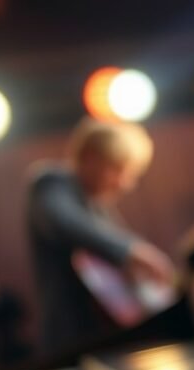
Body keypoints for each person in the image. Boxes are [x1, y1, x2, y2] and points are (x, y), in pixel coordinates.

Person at [26, 117, 175, 356]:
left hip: (106, 340)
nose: (125, 184)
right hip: (70, 342)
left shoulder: (98, 207)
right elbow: (66, 223)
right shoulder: (51, 184)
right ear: (90, 158)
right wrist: (134, 252)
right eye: (118, 170)